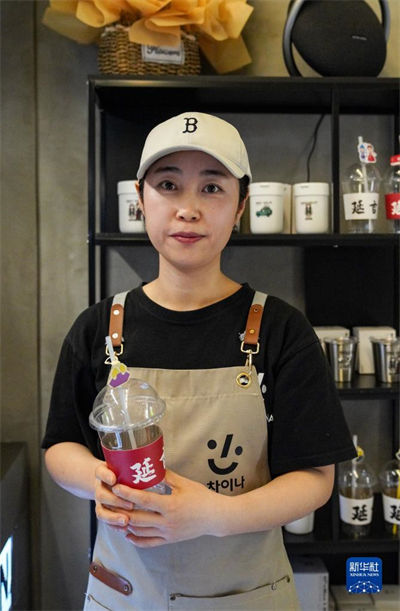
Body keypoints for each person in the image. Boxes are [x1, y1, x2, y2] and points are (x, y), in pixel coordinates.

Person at [42, 111, 356, 610]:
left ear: (240, 207)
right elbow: (60, 446)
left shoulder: (281, 329)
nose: (188, 209)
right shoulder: (98, 327)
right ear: (141, 200)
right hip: (125, 593)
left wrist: (212, 515)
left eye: (212, 188)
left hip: (245, 595)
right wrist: (93, 479)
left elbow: (315, 479)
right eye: (169, 185)